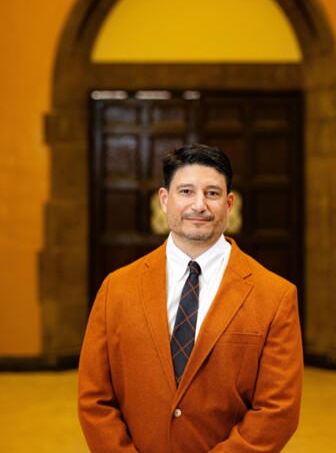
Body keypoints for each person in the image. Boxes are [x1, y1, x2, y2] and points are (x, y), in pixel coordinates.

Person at [78, 143, 303, 452]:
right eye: (186, 192)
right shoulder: (116, 289)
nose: (199, 205)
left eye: (212, 193)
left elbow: (278, 410)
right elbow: (94, 397)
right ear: (164, 199)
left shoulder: (275, 295)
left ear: (229, 203)